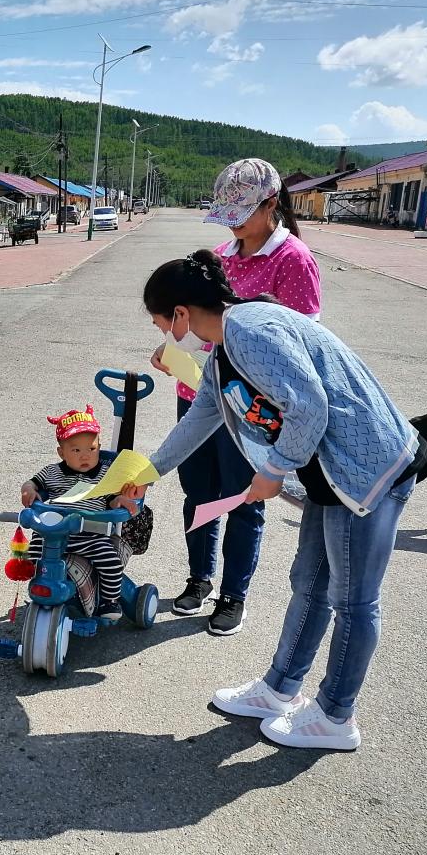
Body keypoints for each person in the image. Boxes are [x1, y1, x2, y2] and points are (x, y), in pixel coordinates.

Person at [123, 251, 426, 750]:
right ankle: (280, 688)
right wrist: (151, 471)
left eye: (159, 322)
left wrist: (273, 469)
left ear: (180, 313)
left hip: (366, 472)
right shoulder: (224, 348)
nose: (162, 333)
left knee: (352, 600)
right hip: (331, 475)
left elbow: (310, 407)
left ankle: (335, 716)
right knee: (309, 583)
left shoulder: (251, 330)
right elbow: (201, 417)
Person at [150, 157, 322, 637]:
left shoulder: (292, 260)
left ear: (271, 205)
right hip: (199, 391)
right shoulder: (221, 256)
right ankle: (199, 577)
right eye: (227, 216)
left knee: (242, 497)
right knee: (197, 491)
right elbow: (200, 321)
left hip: (250, 406)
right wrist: (174, 345)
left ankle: (233, 593)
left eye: (241, 215)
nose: (234, 226)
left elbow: (301, 344)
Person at [19, 406, 149, 623]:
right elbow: (31, 483)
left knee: (111, 562)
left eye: (92, 448)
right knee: (33, 549)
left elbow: (112, 498)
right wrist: (28, 490)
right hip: (56, 532)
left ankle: (109, 600)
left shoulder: (105, 474)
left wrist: (121, 500)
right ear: (62, 453)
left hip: (90, 534)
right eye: (76, 450)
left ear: (99, 447)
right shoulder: (52, 472)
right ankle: (38, 578)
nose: (85, 455)